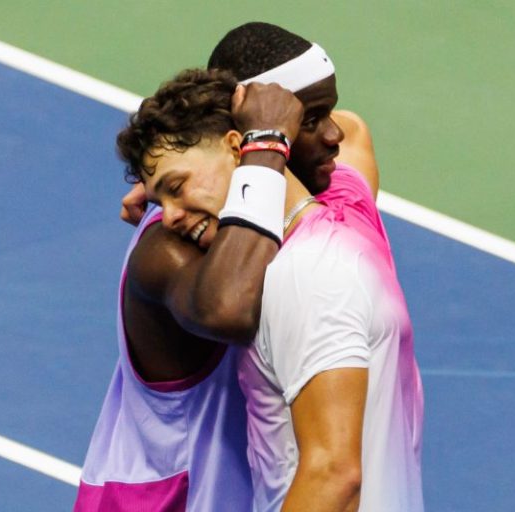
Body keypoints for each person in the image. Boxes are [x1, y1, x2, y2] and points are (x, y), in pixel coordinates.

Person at [118, 67, 423, 511]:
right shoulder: (346, 215)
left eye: (177, 186)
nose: (166, 217)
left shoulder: (307, 270)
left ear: (238, 146)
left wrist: (264, 142)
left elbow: (333, 475)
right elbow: (353, 129)